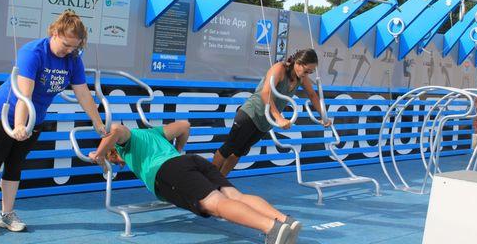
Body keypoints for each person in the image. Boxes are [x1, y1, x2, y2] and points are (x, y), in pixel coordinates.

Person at [0, 10, 106, 236]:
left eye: (74, 47)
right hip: (5, 114)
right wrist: (19, 126)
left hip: (36, 117)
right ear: (55, 33)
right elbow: (23, 96)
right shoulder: (33, 52)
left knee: (15, 164)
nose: (69, 51)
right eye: (66, 45)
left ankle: (6, 214)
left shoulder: (73, 59)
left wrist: (98, 123)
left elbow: (83, 94)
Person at [89, 122, 302, 244]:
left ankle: (271, 228)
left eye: (113, 159)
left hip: (168, 171)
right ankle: (285, 221)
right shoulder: (152, 133)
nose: (118, 163)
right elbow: (184, 125)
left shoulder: (128, 141)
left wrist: (98, 155)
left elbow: (116, 129)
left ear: (113, 149)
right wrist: (178, 151)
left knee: (215, 204)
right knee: (236, 196)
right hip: (190, 160)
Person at [213, 48, 330, 176]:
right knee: (228, 148)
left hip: (265, 122)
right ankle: (208, 182)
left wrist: (324, 116)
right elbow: (265, 93)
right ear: (298, 63)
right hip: (251, 114)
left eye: (310, 72)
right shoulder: (279, 68)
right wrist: (278, 118)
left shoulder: (301, 77)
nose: (307, 74)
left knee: (239, 152)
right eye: (306, 70)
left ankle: (220, 182)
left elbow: (313, 95)